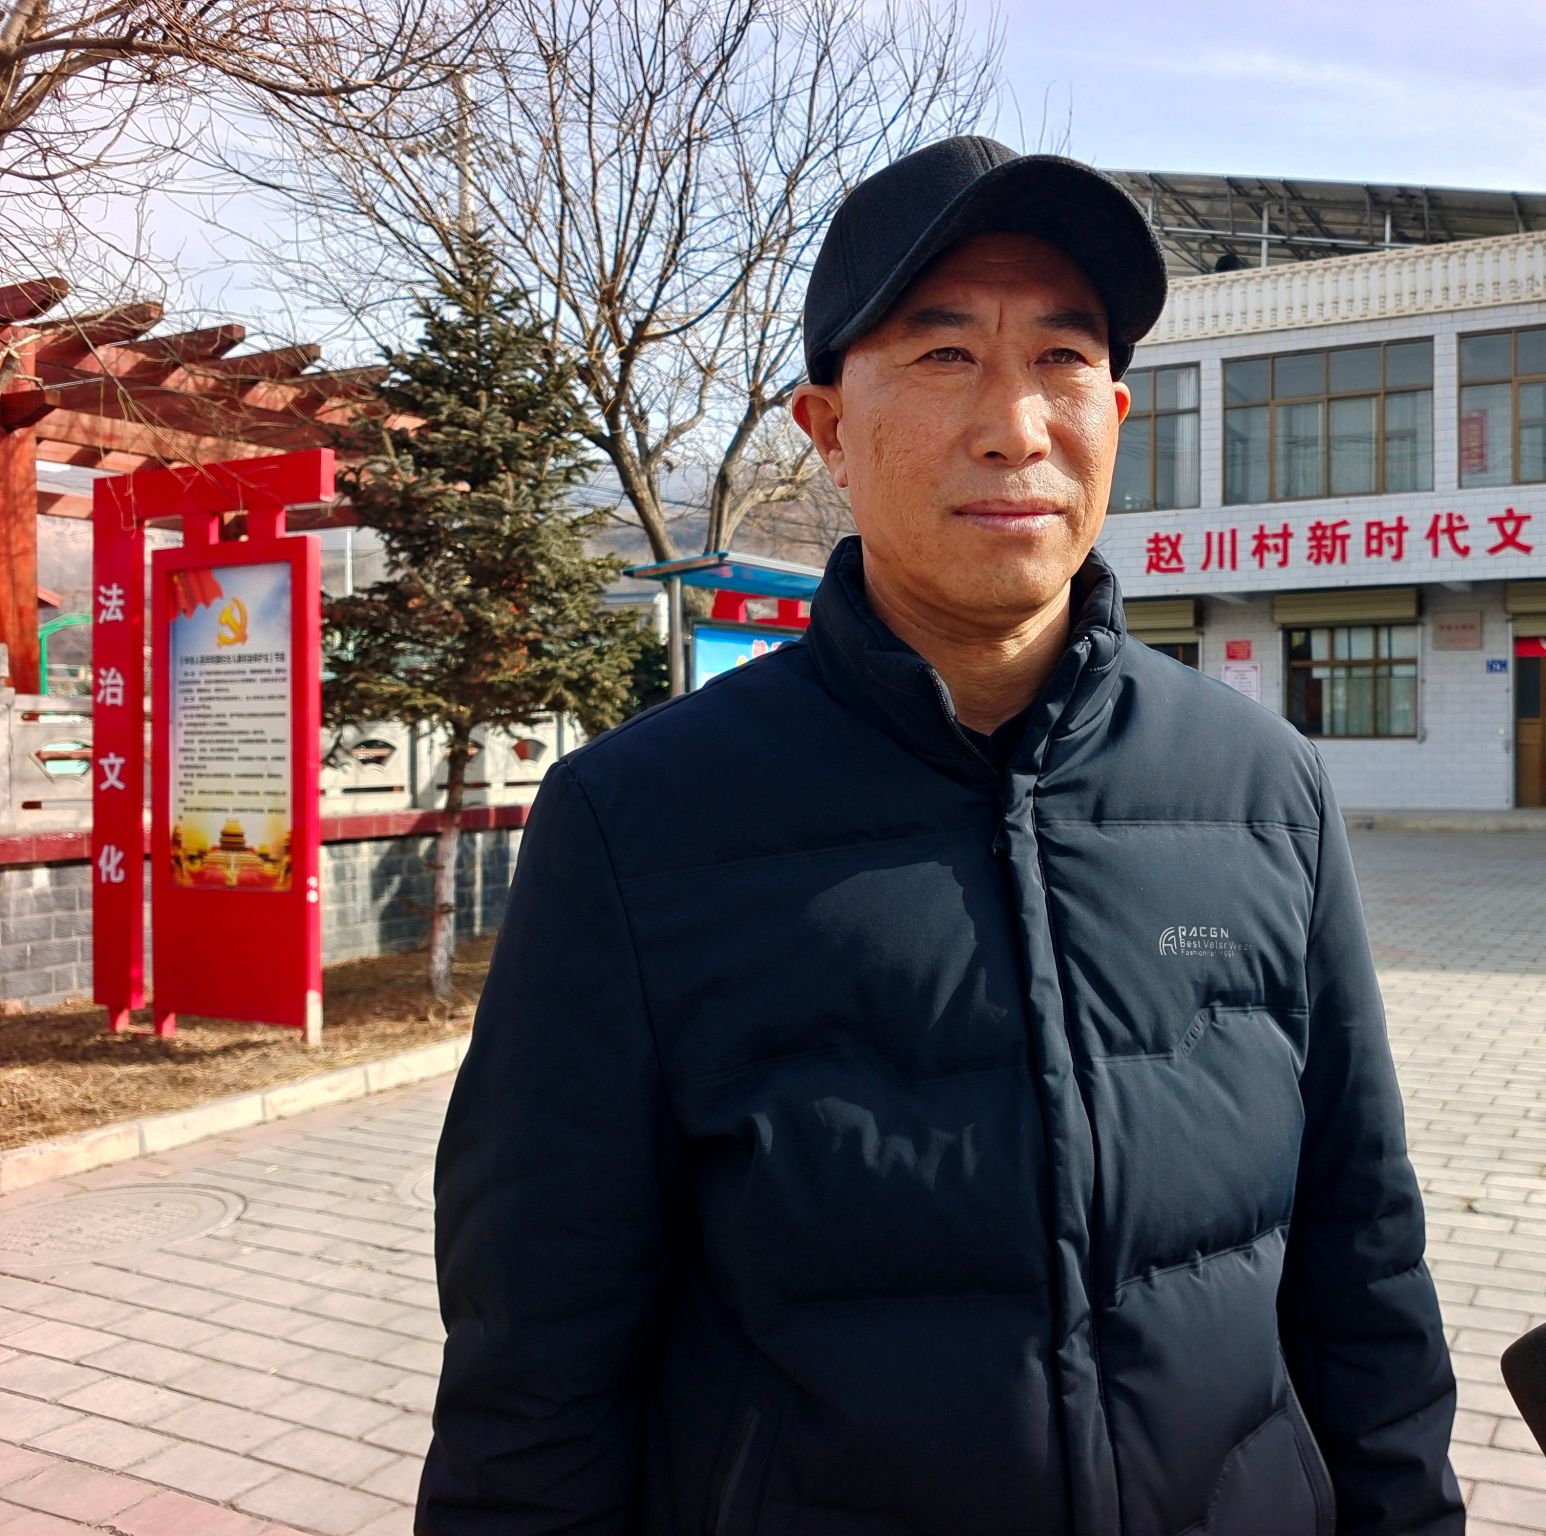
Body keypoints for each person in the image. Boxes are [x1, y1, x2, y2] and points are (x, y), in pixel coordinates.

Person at [418, 134, 1464, 1536]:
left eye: (1061, 358)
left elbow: (1365, 1266)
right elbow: (532, 1383)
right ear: (826, 429)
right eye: (944, 353)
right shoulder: (638, 825)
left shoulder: (1265, 789)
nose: (1015, 425)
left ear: (1116, 414)